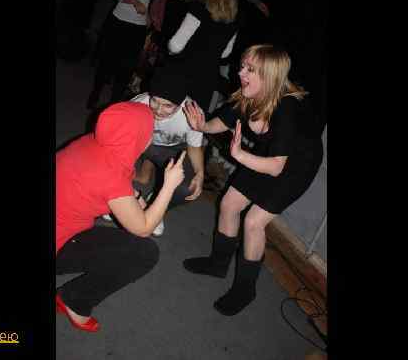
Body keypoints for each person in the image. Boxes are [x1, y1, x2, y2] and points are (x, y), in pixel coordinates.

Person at [182, 44, 323, 316]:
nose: (241, 73)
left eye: (250, 69)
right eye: (242, 66)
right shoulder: (248, 95)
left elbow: (276, 168)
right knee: (229, 204)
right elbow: (223, 121)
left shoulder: (286, 108)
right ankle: (217, 264)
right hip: (269, 154)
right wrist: (202, 126)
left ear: (269, 76)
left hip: (297, 164)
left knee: (254, 221)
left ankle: (245, 290)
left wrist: (239, 155)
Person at [56, 102, 186, 332]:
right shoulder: (112, 175)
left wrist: (135, 196)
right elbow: (144, 228)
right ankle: (74, 300)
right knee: (144, 253)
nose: (151, 136)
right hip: (60, 242)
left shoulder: (92, 142)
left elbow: (109, 182)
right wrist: (169, 186)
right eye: (149, 131)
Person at [152, 0, 240, 112]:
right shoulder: (234, 20)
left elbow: (175, 45)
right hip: (205, 82)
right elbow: (225, 54)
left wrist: (170, 49)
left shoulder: (199, 9)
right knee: (191, 124)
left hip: (179, 77)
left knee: (163, 119)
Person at [129, 73, 206, 236]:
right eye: (155, 101)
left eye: (167, 106)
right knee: (114, 164)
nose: (158, 110)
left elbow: (194, 147)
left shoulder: (192, 113)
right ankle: (120, 202)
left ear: (180, 104)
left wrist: (200, 173)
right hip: (140, 143)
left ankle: (156, 206)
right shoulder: (139, 103)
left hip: (173, 150)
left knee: (188, 188)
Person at [87, 0, 166, 110]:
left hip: (139, 26)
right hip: (119, 21)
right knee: (107, 62)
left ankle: (115, 105)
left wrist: (150, 13)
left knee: (127, 68)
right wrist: (135, 2)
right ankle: (95, 92)